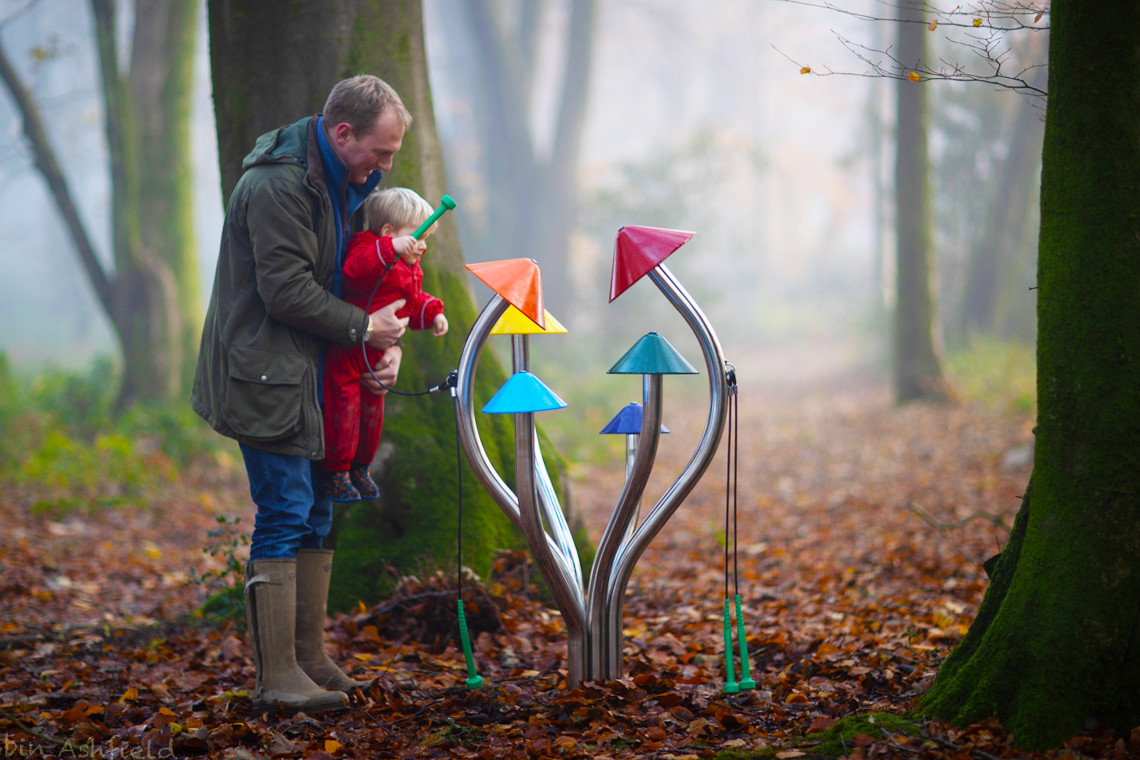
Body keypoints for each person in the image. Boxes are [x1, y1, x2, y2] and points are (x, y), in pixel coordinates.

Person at [191, 75, 412, 715]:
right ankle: (276, 675)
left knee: (318, 508)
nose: (386, 166)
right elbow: (285, 291)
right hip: (265, 374)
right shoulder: (275, 186)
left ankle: (309, 657)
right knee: (285, 508)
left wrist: (384, 345)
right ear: (343, 134)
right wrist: (362, 328)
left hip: (320, 373)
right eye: (381, 151)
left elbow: (360, 283)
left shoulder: (350, 184)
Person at [321, 187, 448, 502]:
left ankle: (361, 467)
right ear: (389, 233)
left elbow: (410, 302)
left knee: (371, 415)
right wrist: (388, 248)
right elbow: (354, 271)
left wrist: (432, 313)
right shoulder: (367, 249)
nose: (424, 246)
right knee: (344, 411)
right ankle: (335, 470)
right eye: (418, 237)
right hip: (349, 352)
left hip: (376, 358)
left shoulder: (408, 267)